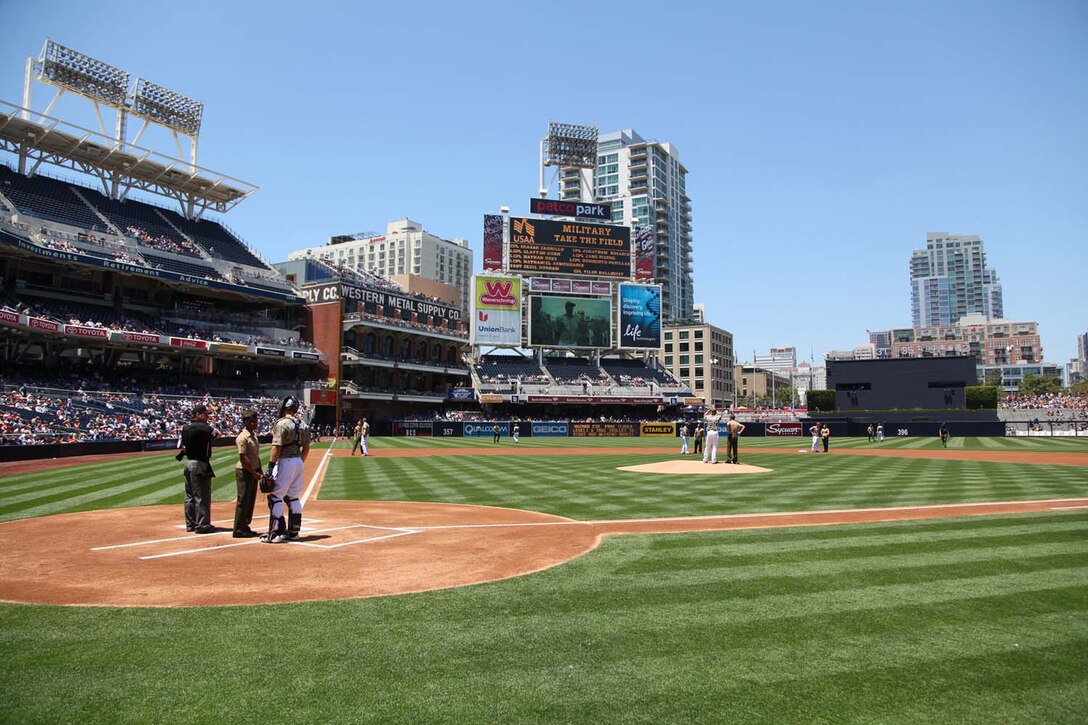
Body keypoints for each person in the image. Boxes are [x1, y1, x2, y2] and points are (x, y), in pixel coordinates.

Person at [262, 396, 310, 543]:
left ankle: (275, 533)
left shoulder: (282, 424)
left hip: (285, 461)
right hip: (298, 462)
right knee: (293, 497)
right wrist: (299, 462)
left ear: (284, 407)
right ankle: (293, 532)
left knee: (275, 497)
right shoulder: (303, 425)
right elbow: (306, 448)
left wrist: (270, 468)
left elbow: (276, 447)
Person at [176, 404, 216, 533]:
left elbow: (184, 448)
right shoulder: (202, 427)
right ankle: (202, 525)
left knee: (189, 496)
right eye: (205, 414)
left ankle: (191, 524)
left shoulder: (185, 428)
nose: (207, 417)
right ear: (197, 415)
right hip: (199, 464)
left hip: (188, 463)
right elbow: (216, 433)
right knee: (202, 496)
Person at [232, 408, 262, 538]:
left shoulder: (253, 436)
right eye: (254, 420)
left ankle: (245, 525)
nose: (256, 422)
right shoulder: (242, 437)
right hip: (244, 472)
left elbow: (255, 455)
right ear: (248, 422)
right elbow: (243, 458)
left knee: (250, 500)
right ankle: (238, 529)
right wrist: (253, 473)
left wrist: (259, 470)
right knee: (243, 500)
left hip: (253, 471)